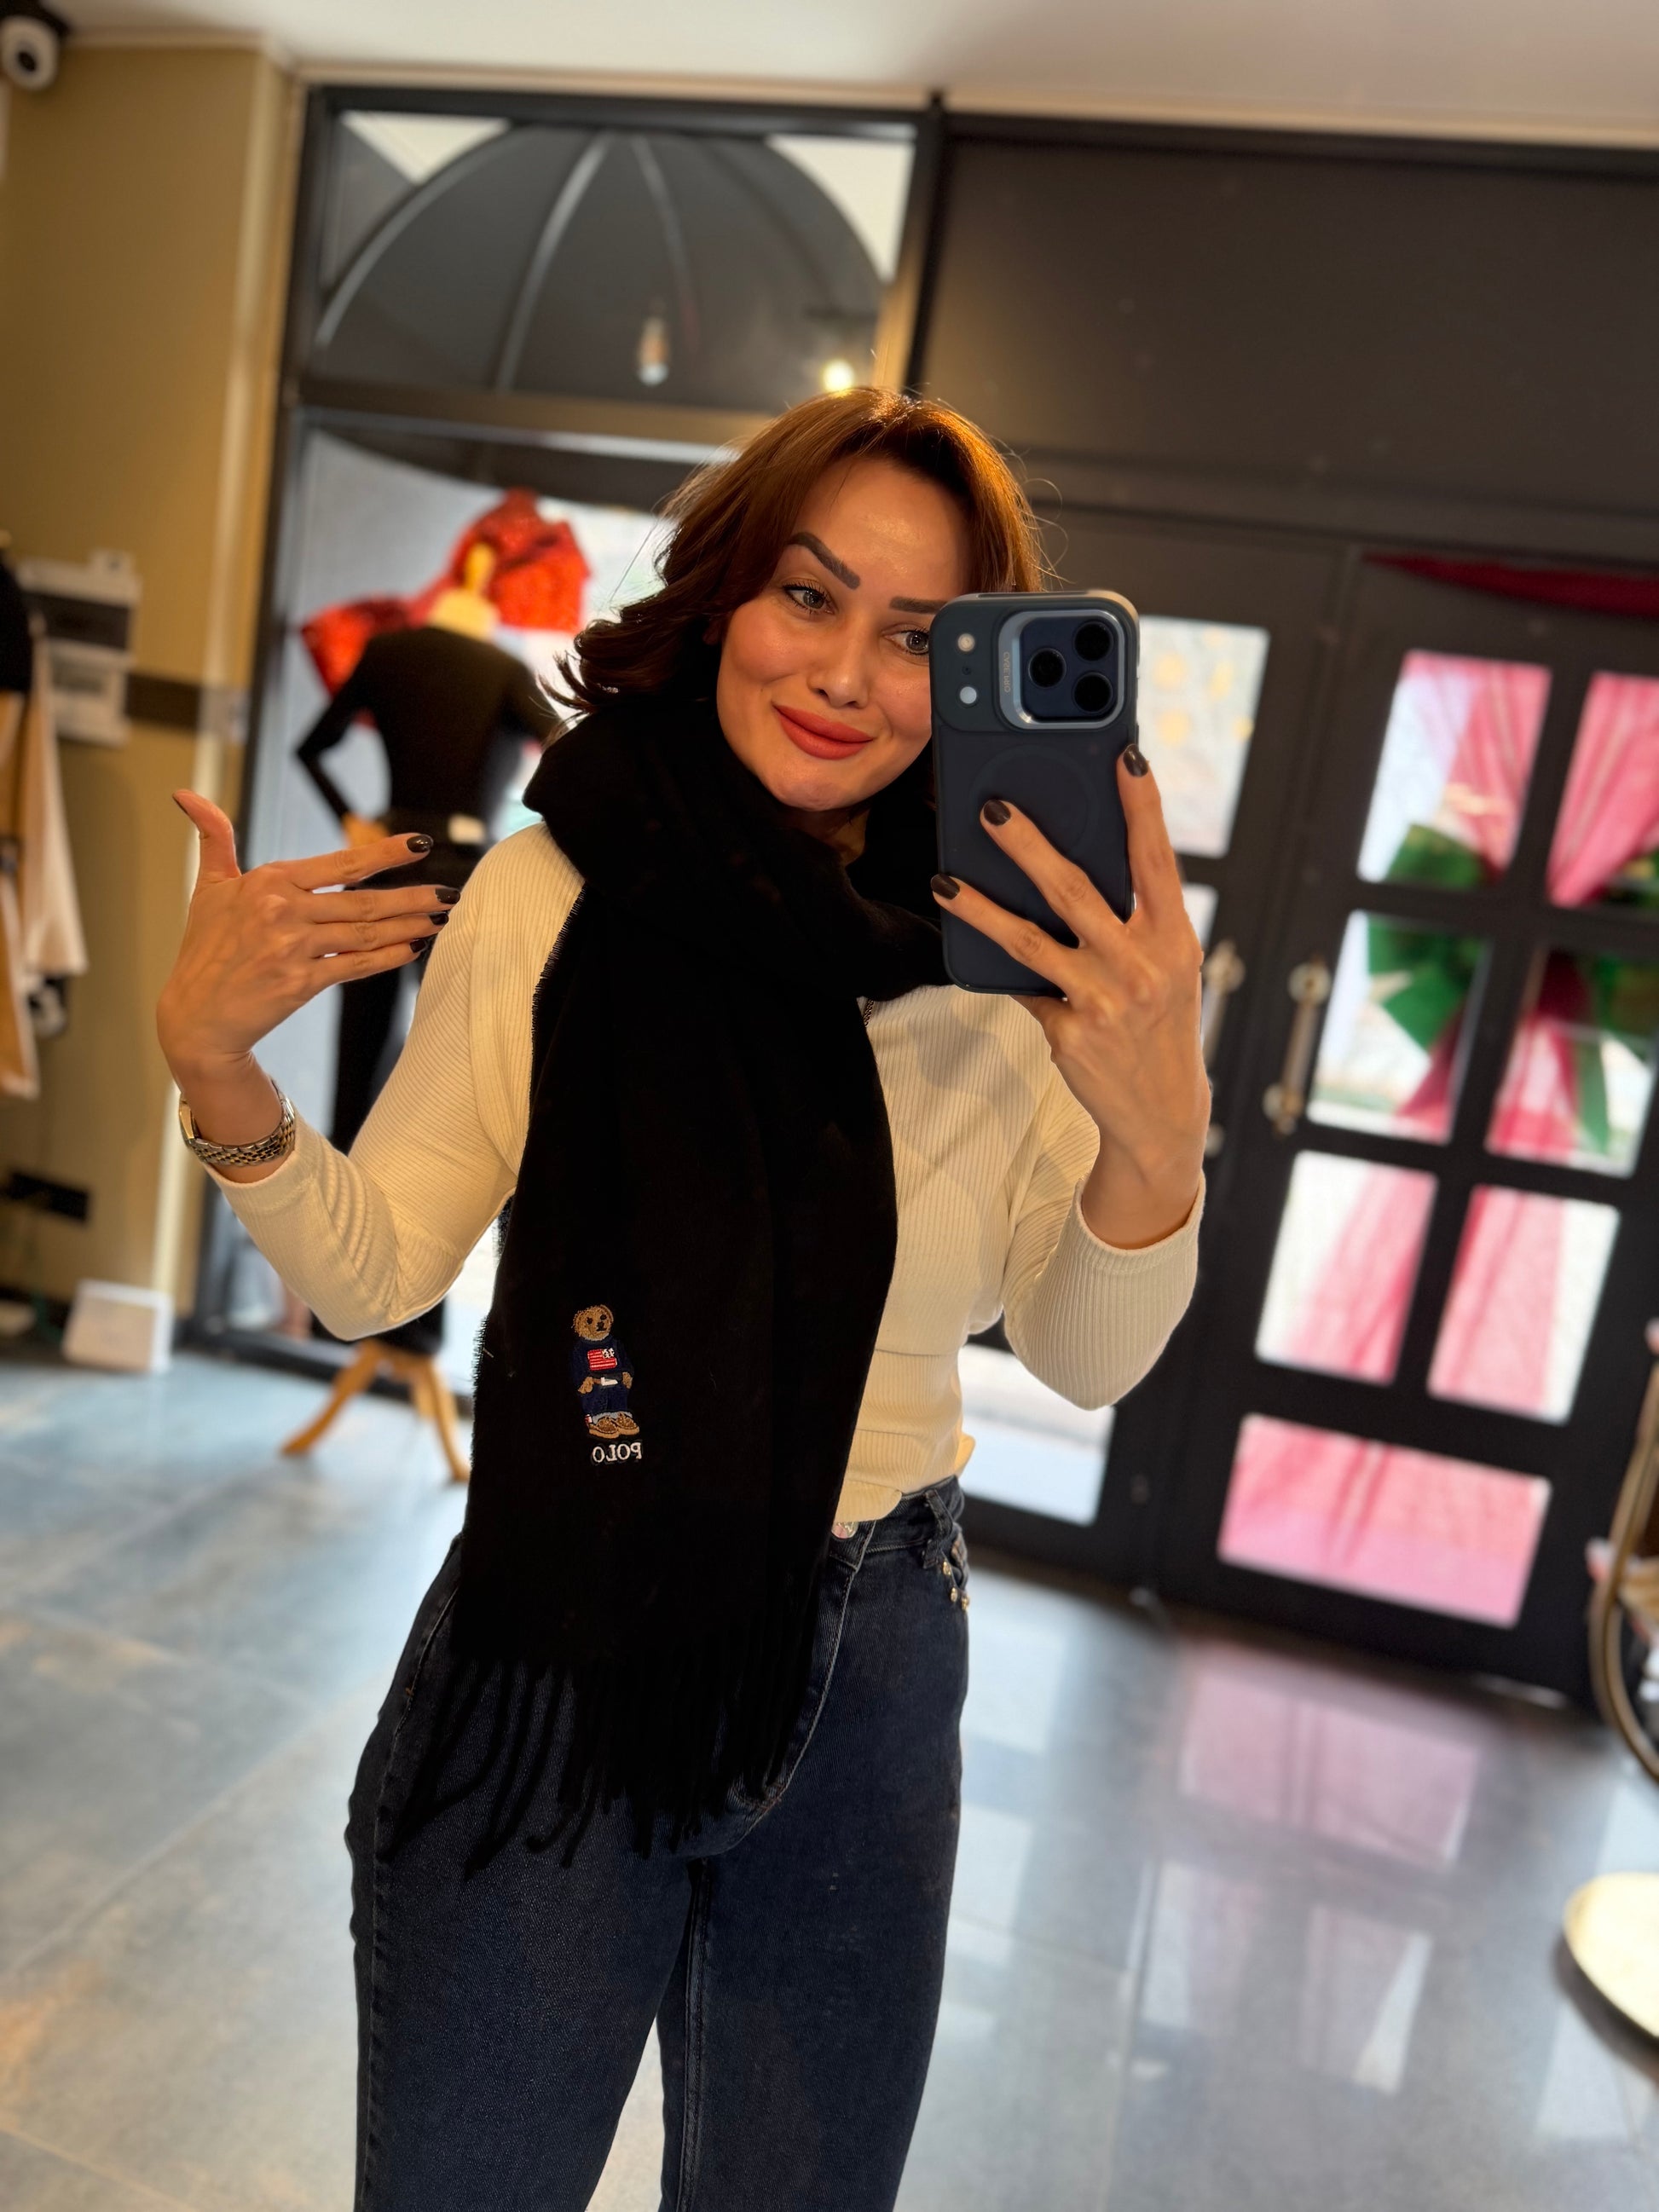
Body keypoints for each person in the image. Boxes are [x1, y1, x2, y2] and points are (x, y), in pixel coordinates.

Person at [156, 388, 1209, 2212]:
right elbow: (375, 1269)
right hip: (565, 1651)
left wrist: (1159, 1136)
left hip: (876, 1663)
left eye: (916, 637)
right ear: (724, 596)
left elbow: (1083, 1351)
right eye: (808, 595)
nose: (844, 675)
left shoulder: (1020, 958)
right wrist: (218, 1074)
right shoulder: (553, 890)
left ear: (971, 679)